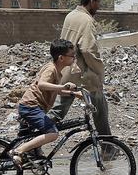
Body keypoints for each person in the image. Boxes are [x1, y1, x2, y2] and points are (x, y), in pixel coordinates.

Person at [10, 39, 83, 167]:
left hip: (34, 107)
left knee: (32, 144)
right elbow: (42, 85)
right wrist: (63, 87)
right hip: (31, 107)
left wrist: (73, 94)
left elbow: (54, 90)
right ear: (61, 58)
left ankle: (23, 156)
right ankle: (18, 151)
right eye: (72, 56)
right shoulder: (51, 69)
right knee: (53, 133)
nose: (74, 58)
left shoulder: (57, 71)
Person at [50, 0, 112, 138]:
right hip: (82, 73)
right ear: (92, 2)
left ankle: (35, 133)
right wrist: (99, 72)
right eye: (98, 3)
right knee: (99, 107)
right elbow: (88, 50)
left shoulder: (70, 15)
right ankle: (107, 144)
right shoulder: (87, 20)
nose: (99, 7)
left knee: (58, 109)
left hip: (66, 70)